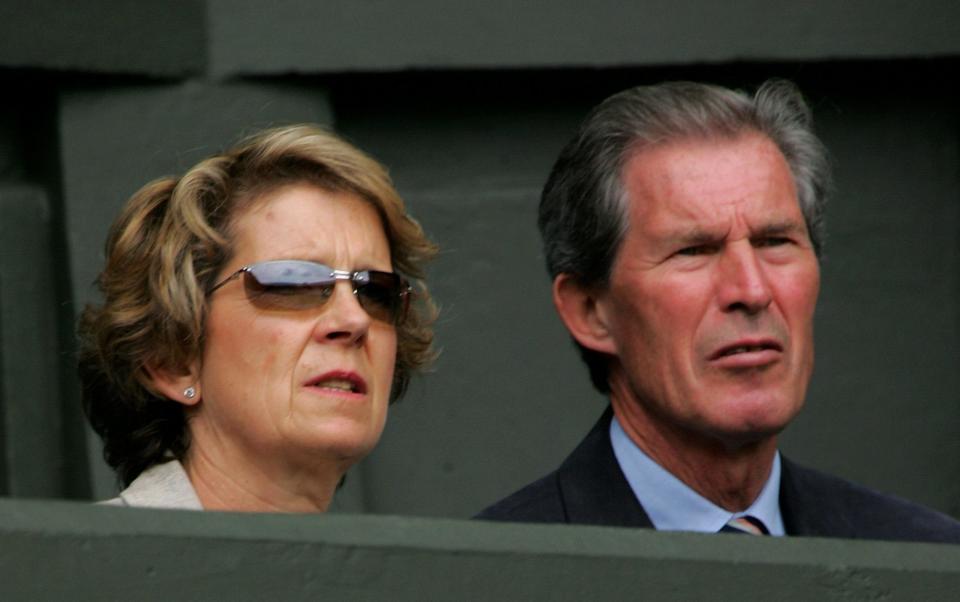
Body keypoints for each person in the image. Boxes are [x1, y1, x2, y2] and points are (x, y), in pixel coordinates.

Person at [477, 80, 960, 542]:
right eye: (693, 251)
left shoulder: (928, 561)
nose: (751, 290)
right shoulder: (488, 579)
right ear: (590, 311)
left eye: (775, 241)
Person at [79, 124, 437, 512]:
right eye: (292, 283)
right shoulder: (67, 568)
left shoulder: (401, 573)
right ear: (173, 360)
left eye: (375, 291)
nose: (354, 320)